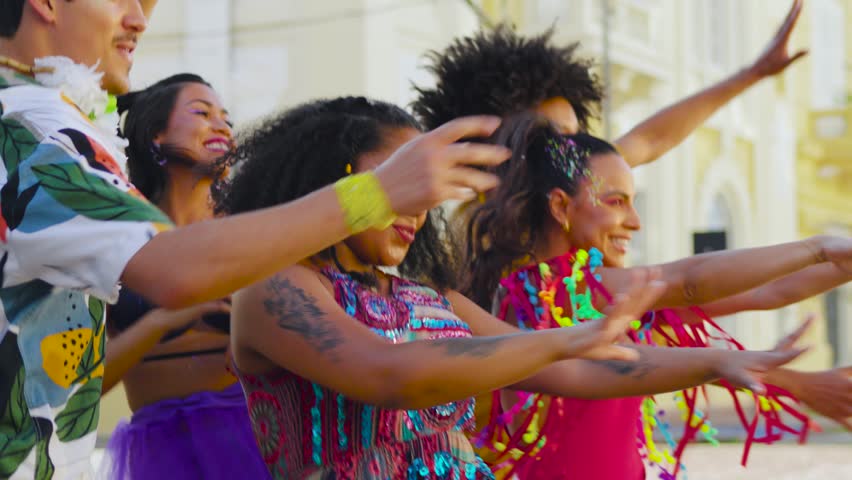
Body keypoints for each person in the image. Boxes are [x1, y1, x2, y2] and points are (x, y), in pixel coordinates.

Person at [0, 1, 510, 477]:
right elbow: (173, 271)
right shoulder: (31, 132)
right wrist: (373, 195)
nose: (139, 19)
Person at [216, 96, 811, 480]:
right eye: (402, 182)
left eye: (428, 191)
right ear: (341, 179)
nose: (419, 207)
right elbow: (388, 374)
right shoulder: (273, 289)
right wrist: (572, 339)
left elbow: (581, 373)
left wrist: (716, 362)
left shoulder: (431, 300)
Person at [462, 116, 852, 479]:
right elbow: (687, 281)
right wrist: (817, 247)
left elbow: (773, 290)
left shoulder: (611, 296)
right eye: (617, 202)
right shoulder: (544, 290)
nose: (635, 220)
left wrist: (840, 258)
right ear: (561, 206)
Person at [93, 73, 268, 479]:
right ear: (156, 135)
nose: (222, 124)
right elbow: (88, 383)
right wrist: (161, 320)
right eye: (202, 112)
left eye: (226, 116)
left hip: (250, 441)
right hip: (157, 455)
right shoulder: (119, 237)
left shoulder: (252, 227)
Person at [413, 0, 808, 168]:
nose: (574, 146)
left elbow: (652, 140)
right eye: (552, 135)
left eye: (576, 133)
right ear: (496, 146)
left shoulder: (579, 176)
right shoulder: (467, 241)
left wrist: (752, 74)